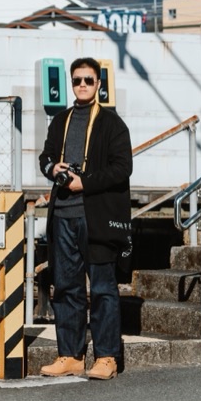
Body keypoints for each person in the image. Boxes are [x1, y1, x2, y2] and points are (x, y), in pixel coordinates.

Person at [38, 57, 132, 381]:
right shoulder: (60, 121)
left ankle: (107, 356)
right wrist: (54, 169)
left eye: (88, 80)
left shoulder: (112, 124)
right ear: (71, 83)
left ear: (99, 85)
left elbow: (123, 168)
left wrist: (85, 181)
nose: (82, 85)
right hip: (63, 215)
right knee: (65, 287)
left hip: (97, 218)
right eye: (77, 80)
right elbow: (45, 157)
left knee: (104, 288)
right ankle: (70, 354)